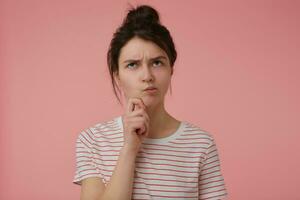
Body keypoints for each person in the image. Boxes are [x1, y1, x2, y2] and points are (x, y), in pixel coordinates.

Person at [73, 4, 228, 200]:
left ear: (171, 69)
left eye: (157, 62)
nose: (147, 76)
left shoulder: (201, 144)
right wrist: (130, 148)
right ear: (118, 76)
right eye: (132, 65)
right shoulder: (93, 140)